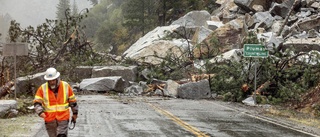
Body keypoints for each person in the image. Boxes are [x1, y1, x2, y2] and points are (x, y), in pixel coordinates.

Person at [33, 67, 78, 137]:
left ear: (57, 78)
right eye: (50, 81)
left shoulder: (65, 86)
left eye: (53, 80)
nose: (51, 82)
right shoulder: (42, 88)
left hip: (63, 118)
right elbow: (37, 102)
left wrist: (75, 113)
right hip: (49, 120)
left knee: (61, 135)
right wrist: (40, 112)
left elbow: (73, 102)